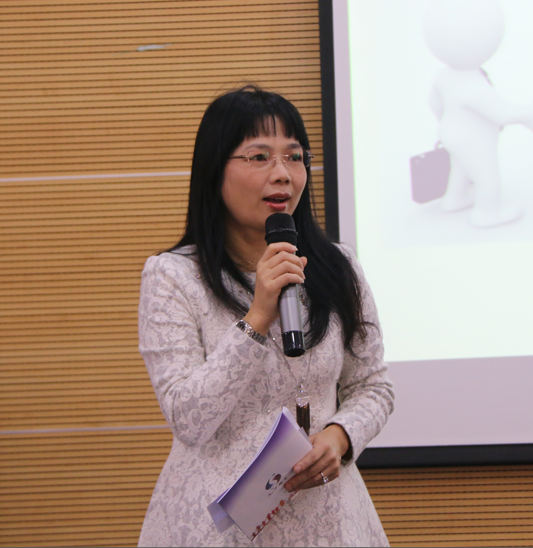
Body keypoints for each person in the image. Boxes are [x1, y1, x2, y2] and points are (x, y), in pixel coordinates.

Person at [138, 86, 394, 547]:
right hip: (217, 529)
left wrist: (340, 436)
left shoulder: (338, 266)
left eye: (294, 157)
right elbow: (189, 418)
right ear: (215, 170)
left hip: (328, 524)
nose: (282, 174)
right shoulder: (172, 277)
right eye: (259, 157)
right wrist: (257, 316)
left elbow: (372, 386)